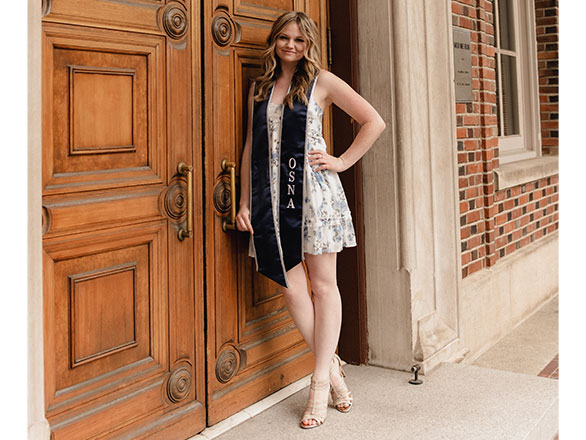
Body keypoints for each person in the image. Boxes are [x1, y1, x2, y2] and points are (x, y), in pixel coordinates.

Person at [235, 11, 385, 429]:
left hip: (315, 195)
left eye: (299, 40)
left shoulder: (323, 81)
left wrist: (340, 161)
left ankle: (318, 383)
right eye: (284, 38)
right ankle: (334, 369)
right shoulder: (261, 88)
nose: (291, 46)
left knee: (323, 286)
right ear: (274, 41)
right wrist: (247, 199)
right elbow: (252, 146)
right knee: (291, 288)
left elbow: (374, 121)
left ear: (309, 44)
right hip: (272, 198)